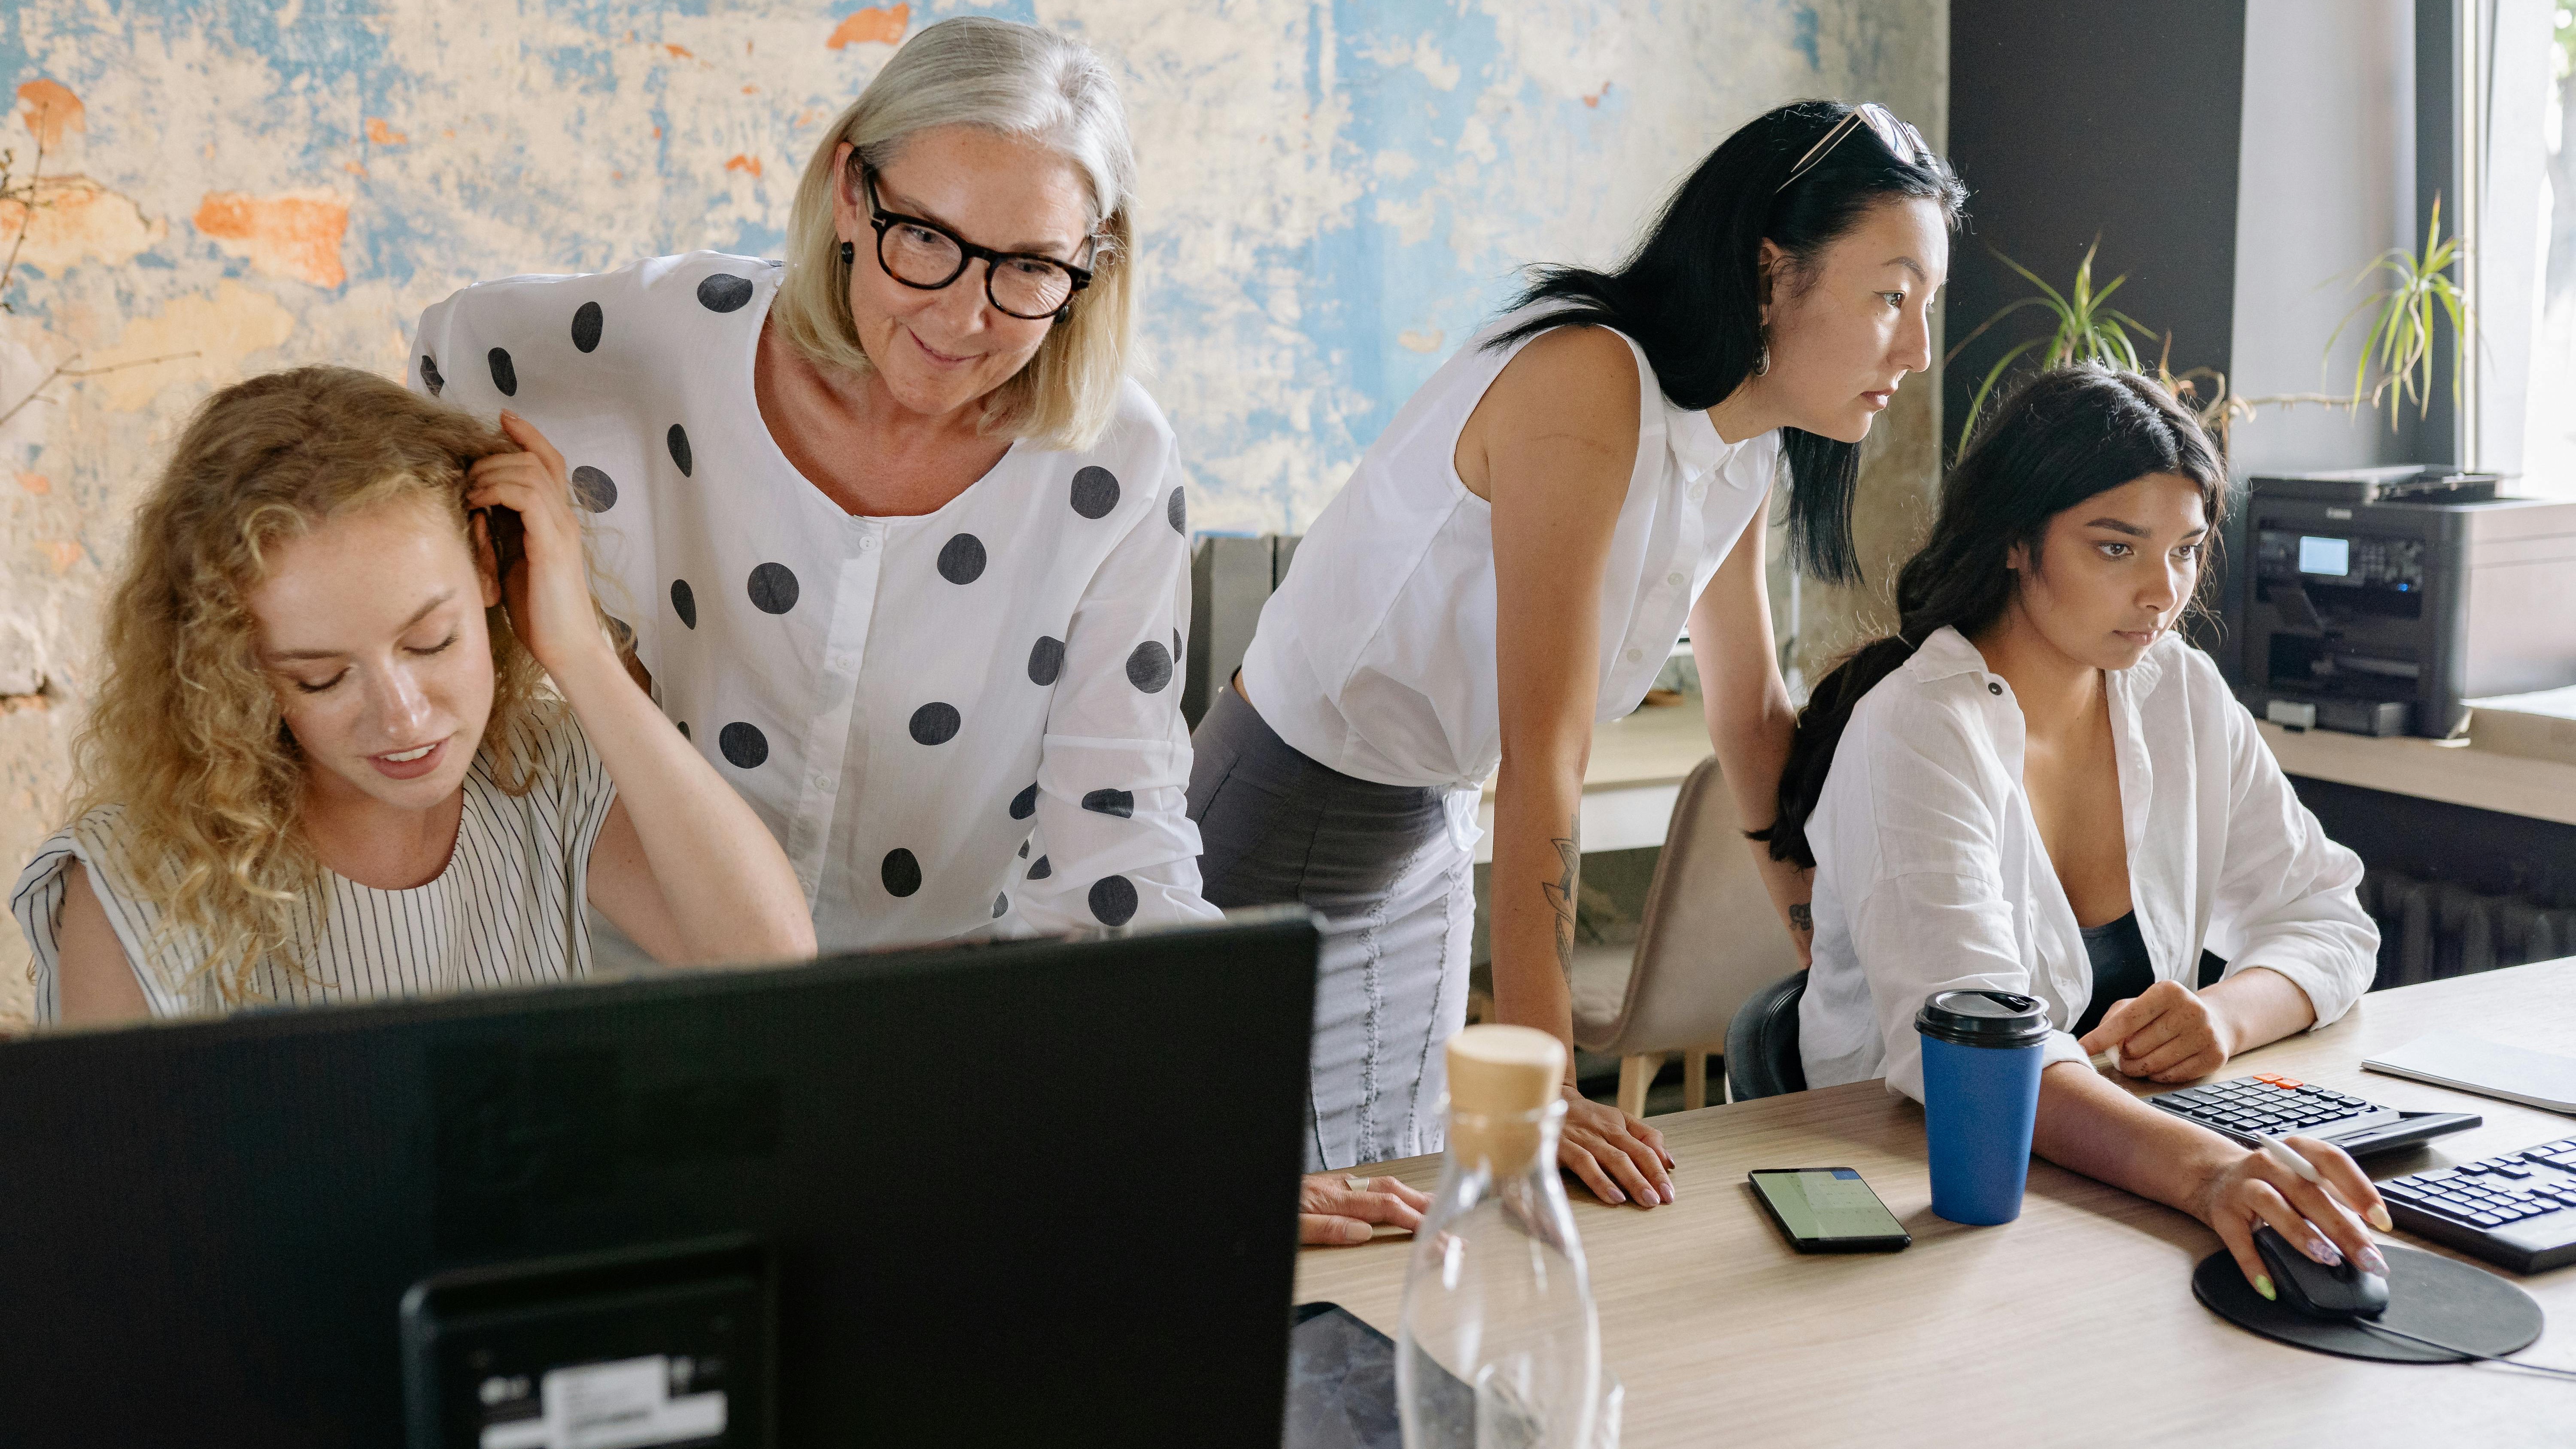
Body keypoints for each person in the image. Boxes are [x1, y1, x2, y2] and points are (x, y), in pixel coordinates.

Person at [1189, 101, 1965, 1201]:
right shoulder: (1589, 376)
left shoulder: (1744, 447)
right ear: (1769, 273)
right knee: (1238, 1212)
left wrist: (1844, 980)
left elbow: (1750, 720)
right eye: (1892, 296)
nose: (1919, 349)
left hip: (1427, 828)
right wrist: (1550, 1080)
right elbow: (1544, 750)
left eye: (1927, 305)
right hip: (1284, 817)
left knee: (1404, 1202)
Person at [409, 15, 1218, 952]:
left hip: (926, 1001)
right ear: (849, 193)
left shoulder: (1118, 462)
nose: (964, 317)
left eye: (1031, 267)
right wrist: (531, 627)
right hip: (638, 962)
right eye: (925, 237)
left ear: (1091, 262)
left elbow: (1118, 832)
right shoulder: (677, 338)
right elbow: (448, 357)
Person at [1767, 365, 2389, 1294]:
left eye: (2185, 551)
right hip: (1917, 1199)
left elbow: (2328, 916)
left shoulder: (2180, 691)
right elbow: (1977, 1054)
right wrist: (2211, 1173)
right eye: (2116, 548)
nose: (2162, 592)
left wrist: (2223, 1015)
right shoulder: (1919, 729)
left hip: (2115, 1180)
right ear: (2016, 542)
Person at [12, 368, 815, 1024]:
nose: (404, 717)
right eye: (321, 677)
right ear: (236, 666)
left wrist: (580, 653)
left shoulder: (542, 771)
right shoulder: (135, 878)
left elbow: (775, 968)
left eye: (432, 642)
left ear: (488, 568)